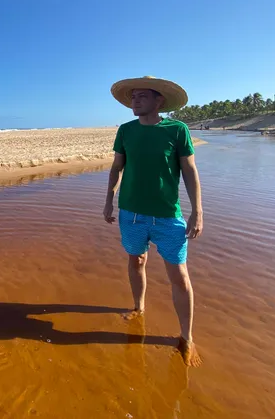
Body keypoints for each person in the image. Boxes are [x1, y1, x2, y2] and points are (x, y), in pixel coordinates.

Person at [103, 76, 203, 367]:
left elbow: (190, 171)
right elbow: (116, 167)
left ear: (159, 101)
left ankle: (186, 337)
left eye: (142, 96)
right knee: (136, 261)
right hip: (130, 213)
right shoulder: (125, 131)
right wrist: (109, 200)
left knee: (180, 277)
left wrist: (197, 211)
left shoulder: (177, 130)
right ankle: (139, 307)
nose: (135, 101)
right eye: (133, 97)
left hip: (168, 216)